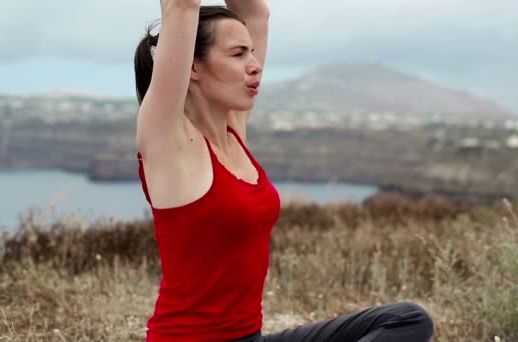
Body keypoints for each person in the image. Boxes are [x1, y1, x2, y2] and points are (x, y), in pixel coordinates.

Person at [133, 1, 434, 341]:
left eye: (252, 52)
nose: (255, 65)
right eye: (237, 54)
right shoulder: (168, 143)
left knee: (407, 320)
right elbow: (181, 6)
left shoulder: (232, 131)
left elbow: (256, 12)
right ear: (193, 66)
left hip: (250, 337)